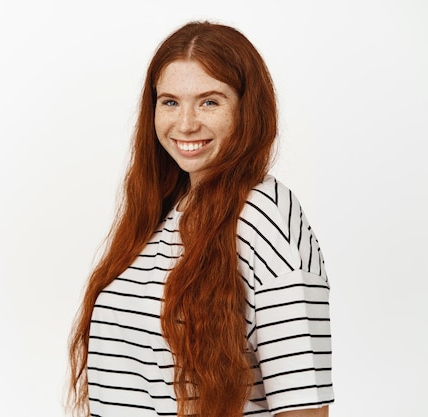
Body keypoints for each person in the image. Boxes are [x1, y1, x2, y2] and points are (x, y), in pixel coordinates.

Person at [68, 21, 334, 417]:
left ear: (247, 109)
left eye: (210, 101)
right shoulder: (162, 214)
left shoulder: (265, 214)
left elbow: (304, 405)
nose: (186, 123)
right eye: (170, 101)